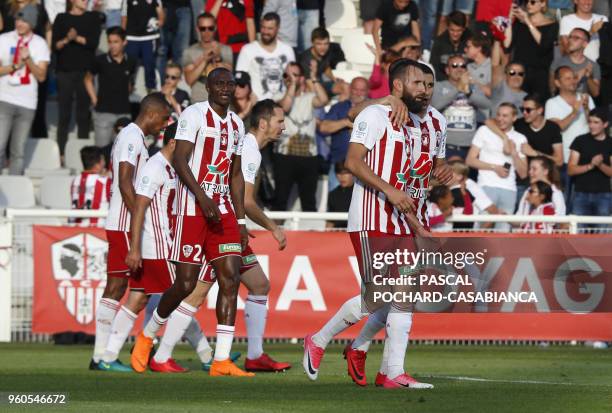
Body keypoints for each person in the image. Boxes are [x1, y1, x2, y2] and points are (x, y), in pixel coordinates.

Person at [304, 60, 452, 388]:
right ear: (397, 86)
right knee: (381, 294)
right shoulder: (376, 114)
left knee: (403, 294)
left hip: (411, 217)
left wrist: (443, 173)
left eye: (429, 85)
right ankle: (319, 339)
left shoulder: (438, 122)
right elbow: (352, 162)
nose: (426, 91)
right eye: (418, 84)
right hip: (374, 216)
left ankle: (389, 371)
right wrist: (388, 190)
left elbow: (433, 167)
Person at [140, 99, 291, 373]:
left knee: (258, 285)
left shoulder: (250, 147)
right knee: (195, 292)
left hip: (227, 224)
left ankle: (254, 354)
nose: (284, 125)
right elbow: (244, 199)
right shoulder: (248, 148)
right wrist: (272, 226)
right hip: (219, 225)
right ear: (263, 123)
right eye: (280, 120)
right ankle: (161, 354)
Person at [130, 68, 251, 377]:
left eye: (230, 84)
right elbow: (181, 159)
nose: (225, 88)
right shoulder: (194, 115)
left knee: (230, 278)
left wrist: (240, 219)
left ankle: (221, 360)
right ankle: (147, 335)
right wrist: (202, 197)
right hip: (191, 209)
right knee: (184, 284)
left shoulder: (237, 124)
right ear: (207, 87)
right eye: (219, 83)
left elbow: (235, 175)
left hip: (223, 209)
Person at [90, 93, 170, 370]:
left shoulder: (136, 139)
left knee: (138, 290)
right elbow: (125, 182)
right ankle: (101, 355)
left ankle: (106, 355)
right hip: (124, 223)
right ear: (152, 113)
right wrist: (139, 220)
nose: (164, 124)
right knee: (118, 287)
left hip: (127, 222)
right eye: (164, 117)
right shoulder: (131, 137)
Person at [0, 4, 49, 174]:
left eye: (24, 20)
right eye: (18, 19)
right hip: (4, 98)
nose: (19, 23)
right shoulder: (4, 39)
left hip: (27, 102)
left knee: (18, 152)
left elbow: (42, 76)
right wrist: (14, 66)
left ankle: (13, 189)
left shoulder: (40, 44)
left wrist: (28, 60)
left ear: (32, 23)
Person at [273, 61, 328, 212]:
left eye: (295, 75)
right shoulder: (277, 96)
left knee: (309, 203)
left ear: (302, 78)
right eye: (287, 75)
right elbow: (285, 107)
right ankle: (274, 233)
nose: (290, 78)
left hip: (309, 158)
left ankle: (310, 235)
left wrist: (314, 77)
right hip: (284, 156)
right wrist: (292, 84)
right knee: (280, 201)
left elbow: (324, 100)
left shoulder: (309, 97)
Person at [485, 93, 563, 199]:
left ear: (540, 110)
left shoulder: (552, 128)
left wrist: (535, 153)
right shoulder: (519, 124)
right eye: (522, 109)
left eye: (528, 110)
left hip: (543, 183)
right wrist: (505, 137)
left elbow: (559, 161)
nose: (525, 113)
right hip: (519, 181)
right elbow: (488, 121)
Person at [466, 103, 528, 231]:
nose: (500, 118)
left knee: (503, 234)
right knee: (481, 231)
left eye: (505, 116)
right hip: (485, 187)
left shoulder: (520, 138)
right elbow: (470, 160)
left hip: (509, 190)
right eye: (498, 115)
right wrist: (494, 167)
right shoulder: (484, 131)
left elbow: (523, 174)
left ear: (514, 118)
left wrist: (514, 153)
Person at [52, 0, 101, 155]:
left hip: (84, 73)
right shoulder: (61, 18)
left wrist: (77, 38)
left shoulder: (93, 17)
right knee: (64, 114)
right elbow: (55, 45)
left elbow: (94, 43)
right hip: (64, 72)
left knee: (83, 115)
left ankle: (83, 154)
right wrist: (68, 38)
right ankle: (60, 153)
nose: (86, 1)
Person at [545, 65, 595, 202]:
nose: (573, 81)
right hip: (565, 160)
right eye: (567, 78)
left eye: (574, 77)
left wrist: (585, 109)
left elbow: (595, 126)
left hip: (586, 160)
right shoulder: (552, 103)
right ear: (557, 83)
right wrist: (574, 112)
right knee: (565, 200)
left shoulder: (586, 99)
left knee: (584, 202)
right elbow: (555, 128)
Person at [84, 26, 137, 147]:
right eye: (110, 42)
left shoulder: (131, 61)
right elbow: (87, 79)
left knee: (122, 153)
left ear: (124, 42)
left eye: (116, 42)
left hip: (124, 113)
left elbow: (130, 83)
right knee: (102, 151)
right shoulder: (100, 60)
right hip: (103, 113)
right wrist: (94, 99)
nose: (112, 45)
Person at [432, 54, 490, 161]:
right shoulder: (439, 86)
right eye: (454, 65)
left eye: (462, 66)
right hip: (445, 146)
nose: (459, 69)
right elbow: (435, 106)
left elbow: (486, 105)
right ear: (447, 70)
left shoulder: (473, 87)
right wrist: (458, 89)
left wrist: (468, 92)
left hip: (469, 146)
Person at [319, 77, 369, 190]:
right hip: (339, 166)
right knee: (335, 202)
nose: (358, 93)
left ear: (368, 91)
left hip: (366, 167)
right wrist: (346, 122)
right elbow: (323, 127)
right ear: (350, 89)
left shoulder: (375, 109)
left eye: (362, 90)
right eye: (355, 89)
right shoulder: (338, 107)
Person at [503, 0, 558, 101]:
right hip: (519, 75)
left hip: (540, 75)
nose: (528, 4)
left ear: (543, 3)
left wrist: (528, 22)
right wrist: (509, 20)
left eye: (532, 2)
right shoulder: (519, 24)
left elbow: (544, 45)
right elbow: (507, 45)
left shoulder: (552, 25)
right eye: (527, 1)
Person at [236, 12, 295, 102]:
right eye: (263, 27)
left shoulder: (287, 50)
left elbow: (293, 77)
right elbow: (240, 81)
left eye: (270, 28)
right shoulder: (247, 50)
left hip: (282, 103)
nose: (265, 32)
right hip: (258, 106)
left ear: (278, 28)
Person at [568, 108, 612, 222]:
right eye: (590, 122)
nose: (591, 125)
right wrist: (590, 166)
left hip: (604, 195)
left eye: (596, 122)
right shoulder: (580, 140)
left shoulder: (610, 143)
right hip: (580, 194)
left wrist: (600, 164)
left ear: (605, 124)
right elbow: (571, 170)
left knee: (602, 235)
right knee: (578, 234)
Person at [183, 12, 233, 104]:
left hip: (221, 101)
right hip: (198, 99)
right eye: (203, 29)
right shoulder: (189, 52)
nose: (207, 32)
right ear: (197, 29)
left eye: (210, 28)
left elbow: (229, 75)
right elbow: (189, 80)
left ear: (215, 28)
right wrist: (205, 60)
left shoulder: (225, 50)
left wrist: (218, 58)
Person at [122, 0, 164, 93]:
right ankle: (128, 85)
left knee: (149, 63)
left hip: (149, 37)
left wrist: (158, 23)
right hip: (132, 36)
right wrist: (123, 35)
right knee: (130, 63)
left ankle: (151, 87)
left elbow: (160, 14)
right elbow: (124, 16)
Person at [550, 28, 601, 98]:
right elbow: (552, 89)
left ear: (585, 44)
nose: (570, 40)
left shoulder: (593, 65)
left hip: (583, 106)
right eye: (570, 37)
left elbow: (596, 93)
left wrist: (587, 77)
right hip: (563, 105)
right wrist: (576, 77)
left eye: (576, 38)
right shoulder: (558, 62)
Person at [449, 161, 499, 230]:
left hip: (464, 235)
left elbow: (494, 212)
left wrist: (477, 234)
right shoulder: (450, 188)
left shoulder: (471, 187)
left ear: (459, 176)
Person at [298, 27, 346, 98]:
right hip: (308, 90)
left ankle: (338, 108)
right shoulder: (306, 60)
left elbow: (326, 67)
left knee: (345, 87)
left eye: (326, 44)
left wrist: (334, 79)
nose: (323, 47)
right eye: (319, 44)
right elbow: (311, 88)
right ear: (312, 43)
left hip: (320, 84)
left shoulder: (327, 52)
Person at [70, 146, 110, 228]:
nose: (104, 164)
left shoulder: (74, 181)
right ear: (97, 164)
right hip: (98, 231)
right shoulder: (105, 182)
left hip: (74, 229)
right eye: (103, 161)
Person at [430, 11, 469, 81]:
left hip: (467, 81)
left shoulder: (471, 41)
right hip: (444, 83)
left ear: (464, 29)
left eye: (459, 30)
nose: (455, 34)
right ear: (447, 27)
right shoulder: (439, 42)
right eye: (452, 30)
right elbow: (434, 66)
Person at [157, 0, 191, 79]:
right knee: (161, 51)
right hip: (162, 7)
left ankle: (176, 85)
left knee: (182, 51)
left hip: (183, 7)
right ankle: (160, 87)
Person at [326, 161, 354, 228]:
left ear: (353, 174)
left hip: (354, 233)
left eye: (345, 173)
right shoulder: (333, 194)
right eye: (338, 173)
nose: (342, 177)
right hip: (336, 234)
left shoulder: (359, 193)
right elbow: (330, 220)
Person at [464, 31, 492, 97]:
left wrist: (473, 83)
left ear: (479, 48)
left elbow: (492, 93)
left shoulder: (491, 67)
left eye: (468, 47)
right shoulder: (468, 66)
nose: (465, 50)